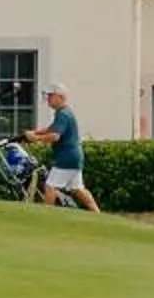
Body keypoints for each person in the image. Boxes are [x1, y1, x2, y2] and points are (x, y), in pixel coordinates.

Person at [26, 83, 100, 212]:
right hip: (74, 156)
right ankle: (97, 213)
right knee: (77, 188)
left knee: (50, 186)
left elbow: (55, 136)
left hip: (66, 157)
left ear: (61, 97)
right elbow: (50, 129)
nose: (48, 98)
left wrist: (35, 138)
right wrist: (35, 132)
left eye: (51, 95)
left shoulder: (63, 114)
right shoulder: (63, 113)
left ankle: (48, 215)